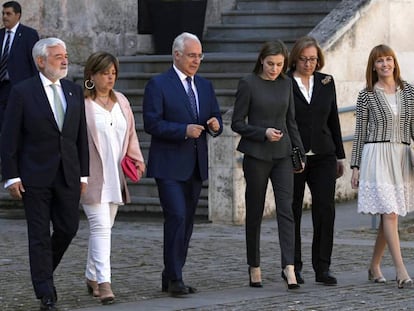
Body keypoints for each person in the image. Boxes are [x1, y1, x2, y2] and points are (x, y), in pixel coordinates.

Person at [0, 37, 89, 310]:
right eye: (57, 56)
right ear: (41, 61)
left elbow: (80, 137)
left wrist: (83, 174)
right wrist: (11, 176)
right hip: (34, 177)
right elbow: (9, 137)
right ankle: (45, 292)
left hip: (68, 175)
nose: (64, 60)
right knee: (38, 235)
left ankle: (43, 273)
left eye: (65, 55)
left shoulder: (74, 91)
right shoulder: (22, 91)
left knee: (68, 228)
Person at [143, 32, 222, 297]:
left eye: (199, 56)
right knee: (176, 216)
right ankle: (175, 277)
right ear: (176, 55)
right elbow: (152, 123)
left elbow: (215, 117)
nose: (196, 60)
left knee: (186, 221)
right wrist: (183, 130)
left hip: (195, 165)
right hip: (168, 165)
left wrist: (215, 125)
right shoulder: (158, 84)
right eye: (191, 55)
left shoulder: (205, 85)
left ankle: (171, 273)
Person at [231, 40, 305, 290]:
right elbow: (237, 123)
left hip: (283, 155)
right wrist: (262, 132)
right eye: (271, 63)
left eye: (280, 64)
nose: (275, 69)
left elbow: (290, 120)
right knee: (255, 211)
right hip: (257, 155)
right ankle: (254, 265)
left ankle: (289, 267)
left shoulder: (287, 83)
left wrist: (299, 152)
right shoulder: (248, 83)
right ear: (262, 60)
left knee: (287, 209)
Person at [81, 51, 146, 304]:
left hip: (114, 175)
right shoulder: (82, 104)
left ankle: (91, 275)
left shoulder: (122, 100)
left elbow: (130, 133)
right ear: (91, 75)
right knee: (100, 227)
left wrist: (136, 158)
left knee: (105, 227)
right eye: (105, 73)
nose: (110, 78)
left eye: (113, 73)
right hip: (91, 174)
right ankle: (105, 283)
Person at [351, 44, 414, 289]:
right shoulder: (366, 94)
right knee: (388, 213)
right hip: (376, 155)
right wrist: (355, 166)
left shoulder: (409, 91)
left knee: (392, 215)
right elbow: (359, 133)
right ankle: (402, 272)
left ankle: (374, 265)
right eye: (379, 61)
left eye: (388, 59)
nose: (385, 64)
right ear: (373, 66)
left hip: (401, 156)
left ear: (394, 62)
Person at [287, 36, 345, 286]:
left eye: (313, 59)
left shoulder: (326, 81)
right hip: (294, 156)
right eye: (304, 59)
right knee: (293, 212)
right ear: (295, 58)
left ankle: (323, 267)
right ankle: (293, 267)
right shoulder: (284, 82)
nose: (309, 63)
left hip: (324, 154)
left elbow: (333, 119)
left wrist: (340, 156)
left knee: (325, 210)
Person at [0, 1, 39, 128]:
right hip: (2, 87)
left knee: (16, 122)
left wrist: (35, 87)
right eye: (3, 13)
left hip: (19, 86)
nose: (5, 17)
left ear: (18, 15)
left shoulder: (29, 34)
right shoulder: (0, 35)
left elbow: (34, 63)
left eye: (8, 14)